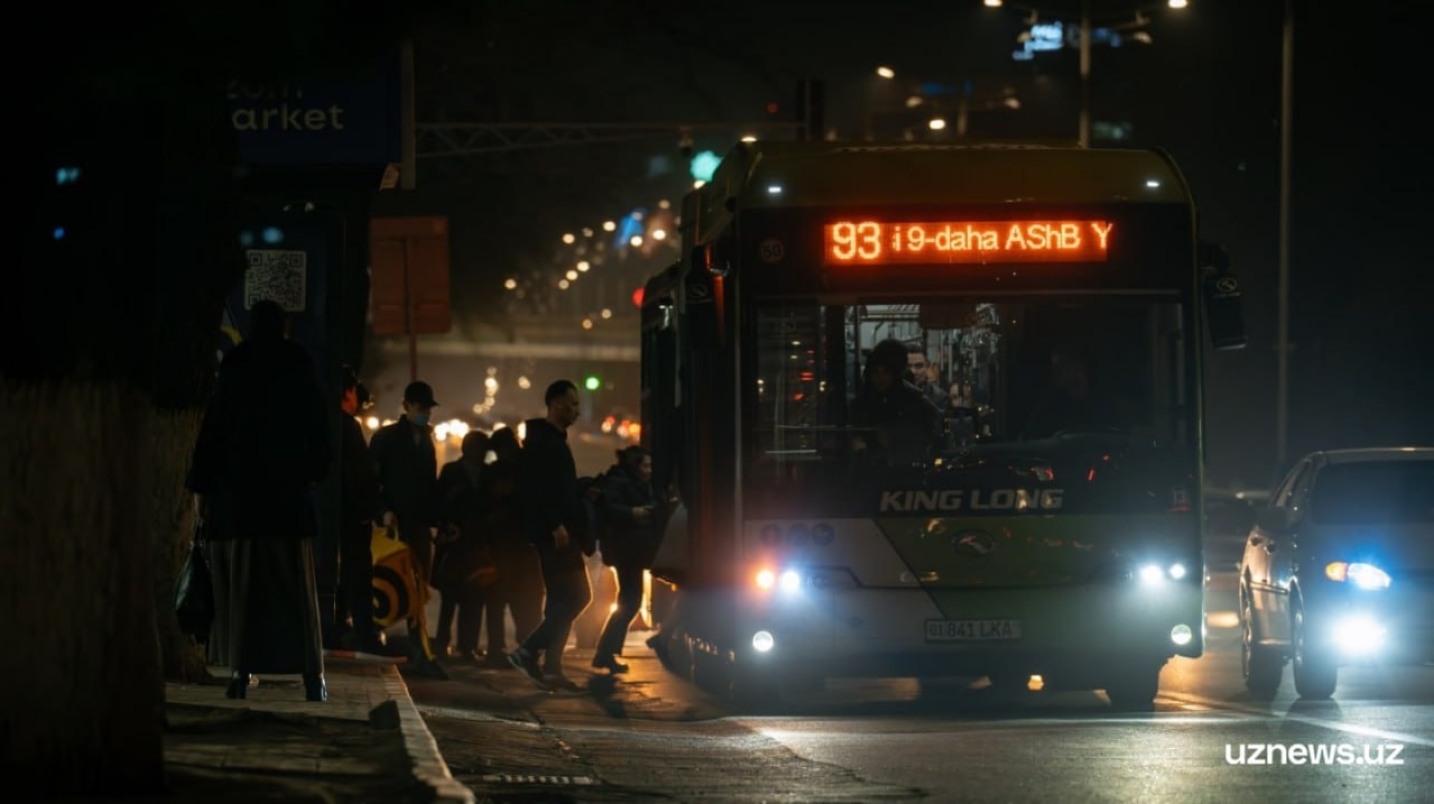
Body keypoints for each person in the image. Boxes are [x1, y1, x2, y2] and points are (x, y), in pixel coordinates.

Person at [186, 299, 332, 702]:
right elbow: (317, 428)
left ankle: (240, 671)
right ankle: (312, 678)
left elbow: (215, 429)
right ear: (284, 328)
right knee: (297, 593)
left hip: (241, 501)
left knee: (246, 593)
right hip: (287, 501)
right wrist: (312, 472)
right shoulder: (298, 363)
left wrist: (202, 485)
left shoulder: (236, 364)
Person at [506, 379, 593, 692]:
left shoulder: (554, 440)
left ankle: (552, 667)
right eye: (572, 404)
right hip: (555, 535)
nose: (576, 411)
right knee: (578, 596)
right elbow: (535, 491)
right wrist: (554, 523)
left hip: (562, 532)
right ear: (556, 403)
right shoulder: (542, 443)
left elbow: (558, 488)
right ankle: (528, 650)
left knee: (560, 599)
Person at [369, 380, 446, 678]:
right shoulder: (386, 439)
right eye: (421, 407)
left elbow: (430, 486)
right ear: (407, 406)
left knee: (418, 592)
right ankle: (375, 637)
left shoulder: (426, 441)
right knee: (390, 585)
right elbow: (373, 483)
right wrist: (384, 511)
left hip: (418, 528)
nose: (425, 413)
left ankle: (421, 652)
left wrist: (438, 522)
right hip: (393, 529)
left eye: (427, 408)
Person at [334, 366, 397, 659]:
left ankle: (336, 630)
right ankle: (362, 635)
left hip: (332, 520)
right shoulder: (348, 428)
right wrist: (367, 510)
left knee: (338, 579)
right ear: (348, 392)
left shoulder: (322, 425)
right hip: (351, 521)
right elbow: (359, 476)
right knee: (357, 578)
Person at [592, 446, 659, 674]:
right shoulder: (619, 482)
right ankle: (605, 652)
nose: (649, 471)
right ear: (635, 466)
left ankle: (606, 653)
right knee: (630, 601)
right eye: (645, 465)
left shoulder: (635, 482)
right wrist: (633, 513)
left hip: (634, 551)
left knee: (629, 601)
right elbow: (610, 508)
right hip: (626, 551)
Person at [482, 426, 542, 668]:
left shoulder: (498, 471)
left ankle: (500, 649)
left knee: (499, 601)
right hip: (522, 546)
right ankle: (526, 649)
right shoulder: (529, 470)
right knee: (524, 602)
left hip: (505, 546)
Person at [433, 430, 493, 661]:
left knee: (474, 598)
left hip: (476, 544)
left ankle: (466, 646)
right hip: (457, 543)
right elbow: (439, 503)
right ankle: (444, 643)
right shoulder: (452, 472)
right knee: (451, 597)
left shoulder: (486, 474)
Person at [850, 338, 943, 468]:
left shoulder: (914, 400)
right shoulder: (863, 402)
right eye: (876, 373)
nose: (880, 379)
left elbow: (933, 430)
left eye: (886, 373)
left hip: (907, 470)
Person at [1022, 343, 1133, 439]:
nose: (1056, 372)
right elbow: (1030, 437)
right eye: (1055, 367)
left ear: (1079, 367)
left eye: (1061, 366)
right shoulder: (1049, 404)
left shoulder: (1110, 404)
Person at [907, 345, 948, 410]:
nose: (913, 371)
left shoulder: (939, 397)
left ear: (926, 366)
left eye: (918, 366)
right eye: (908, 366)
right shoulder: (891, 395)